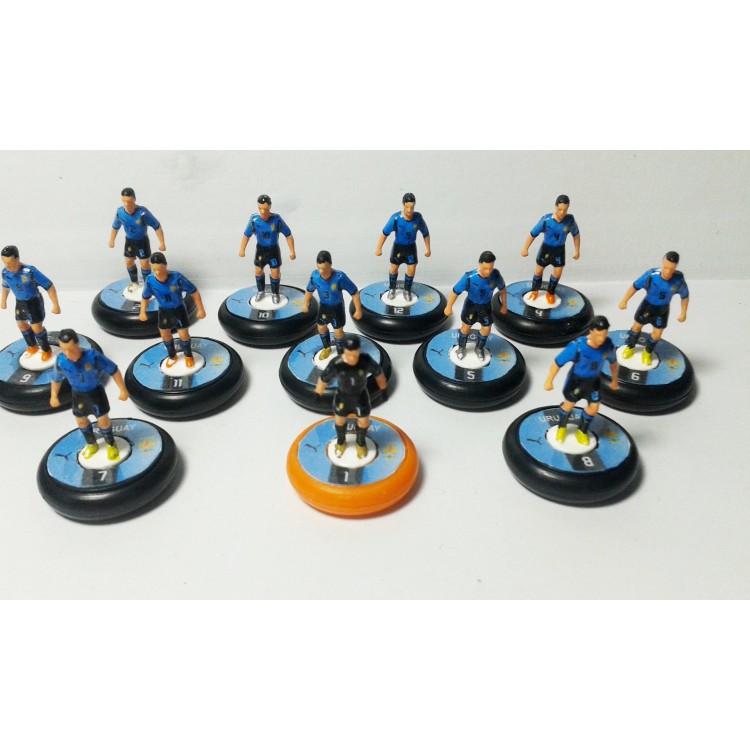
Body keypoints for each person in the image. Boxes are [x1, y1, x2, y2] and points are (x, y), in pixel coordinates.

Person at [50, 329, 129, 460]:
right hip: (78, 394)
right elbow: (56, 379)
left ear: (77, 344)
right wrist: (54, 396)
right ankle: (92, 444)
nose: (68, 354)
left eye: (71, 349)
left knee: (103, 421)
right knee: (81, 421)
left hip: (95, 393)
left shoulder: (92, 356)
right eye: (64, 350)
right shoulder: (61, 361)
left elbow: (113, 370)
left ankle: (110, 444)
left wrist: (123, 389)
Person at [544, 315, 619, 446]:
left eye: (604, 335)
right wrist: (549, 380)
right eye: (598, 335)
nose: (601, 339)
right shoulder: (577, 346)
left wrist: (614, 380)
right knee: (568, 406)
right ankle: (562, 428)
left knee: (593, 408)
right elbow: (558, 362)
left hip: (593, 382)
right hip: (576, 381)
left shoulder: (607, 346)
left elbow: (613, 363)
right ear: (591, 331)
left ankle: (581, 431)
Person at [314, 334, 388, 459]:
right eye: (349, 355)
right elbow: (324, 379)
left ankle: (360, 443)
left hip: (360, 397)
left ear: (359, 351)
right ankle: (341, 442)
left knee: (364, 421)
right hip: (343, 397)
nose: (352, 358)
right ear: (344, 352)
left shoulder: (365, 360)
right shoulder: (337, 363)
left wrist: (383, 389)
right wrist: (318, 393)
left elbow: (378, 374)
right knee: (340, 420)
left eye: (355, 355)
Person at [618, 251, 689, 365]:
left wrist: (683, 312)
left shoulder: (678, 280)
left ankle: (647, 352)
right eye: (666, 267)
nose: (668, 272)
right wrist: (624, 300)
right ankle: (630, 346)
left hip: (662, 310)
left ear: (675, 267)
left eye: (671, 269)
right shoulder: (651, 275)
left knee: (657, 334)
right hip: (647, 306)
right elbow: (635, 286)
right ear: (663, 263)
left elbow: (684, 296)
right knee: (636, 327)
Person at [139, 253, 206, 368]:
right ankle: (172, 356)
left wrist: (200, 309)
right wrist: (142, 311)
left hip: (178, 310)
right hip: (164, 311)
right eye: (154, 269)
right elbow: (145, 297)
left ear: (165, 266)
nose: (157, 272)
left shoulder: (177, 278)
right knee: (165, 334)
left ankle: (188, 356)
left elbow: (194, 291)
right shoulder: (150, 280)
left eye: (160, 269)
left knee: (183, 334)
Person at [1, 245, 61, 361]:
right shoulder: (5, 273)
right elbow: (5, 287)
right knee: (21, 325)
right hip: (20, 302)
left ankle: (46, 350)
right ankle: (32, 346)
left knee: (37, 328)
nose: (7, 266)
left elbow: (49, 286)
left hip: (34, 302)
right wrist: (3, 300)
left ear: (17, 259)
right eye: (4, 263)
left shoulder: (30, 272)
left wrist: (55, 305)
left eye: (10, 263)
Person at [444, 251, 507, 361]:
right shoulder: (469, 277)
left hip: (486, 307)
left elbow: (502, 290)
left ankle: (479, 348)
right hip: (471, 306)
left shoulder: (496, 275)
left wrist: (504, 305)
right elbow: (455, 291)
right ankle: (461, 348)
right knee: (465, 328)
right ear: (480, 264)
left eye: (490, 268)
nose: (488, 271)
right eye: (485, 268)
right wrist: (449, 306)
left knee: (487, 329)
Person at [302, 251, 362, 359]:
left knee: (338, 332)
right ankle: (327, 348)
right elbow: (309, 291)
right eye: (319, 268)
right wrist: (305, 303)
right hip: (324, 307)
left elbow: (354, 292)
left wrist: (358, 309)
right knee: (321, 327)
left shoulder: (340, 277)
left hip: (336, 308)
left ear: (330, 265)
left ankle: (340, 352)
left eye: (325, 269)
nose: (322, 272)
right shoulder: (315, 276)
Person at [520, 194, 580, 304]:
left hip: (559, 250)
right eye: (560, 209)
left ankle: (550, 293)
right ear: (556, 207)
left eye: (565, 210)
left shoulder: (570, 220)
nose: (562, 213)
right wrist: (525, 248)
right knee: (538, 270)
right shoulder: (546, 220)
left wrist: (577, 250)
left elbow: (576, 234)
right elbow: (533, 234)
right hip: (546, 249)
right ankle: (535, 291)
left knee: (557, 273)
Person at [239, 194, 296, 304]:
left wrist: (292, 251)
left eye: (265, 209)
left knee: (275, 272)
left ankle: (275, 293)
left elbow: (288, 235)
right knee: (258, 270)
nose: (263, 212)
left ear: (270, 206)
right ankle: (261, 291)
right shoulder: (254, 220)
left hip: (273, 250)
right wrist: (242, 249)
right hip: (261, 250)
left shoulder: (277, 219)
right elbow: (246, 235)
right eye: (260, 208)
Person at [374, 192, 431, 301]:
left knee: (411, 270)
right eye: (407, 207)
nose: (409, 210)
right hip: (398, 248)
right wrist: (378, 248)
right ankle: (392, 289)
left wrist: (428, 248)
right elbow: (385, 233)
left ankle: (407, 290)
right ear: (403, 205)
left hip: (411, 248)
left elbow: (426, 233)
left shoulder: (418, 218)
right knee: (393, 268)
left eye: (412, 207)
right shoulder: (396, 218)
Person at [109, 187, 166, 289]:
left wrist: (162, 242)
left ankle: (148, 285)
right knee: (129, 261)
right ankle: (134, 282)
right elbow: (115, 227)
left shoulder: (143, 213)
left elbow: (157, 226)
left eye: (129, 201)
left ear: (134, 199)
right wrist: (112, 240)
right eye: (123, 201)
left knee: (144, 263)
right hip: (129, 241)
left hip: (142, 241)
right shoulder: (120, 213)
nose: (126, 204)